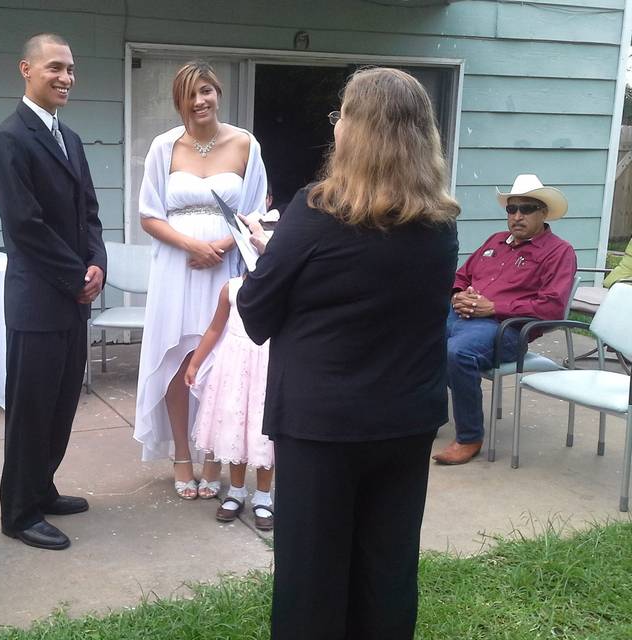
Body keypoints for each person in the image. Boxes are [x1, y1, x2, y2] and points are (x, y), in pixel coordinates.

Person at [238, 68, 460, 638]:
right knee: (387, 572)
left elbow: (257, 314)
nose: (334, 129)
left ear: (357, 132)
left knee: (311, 581)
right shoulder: (440, 223)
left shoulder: (314, 212)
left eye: (340, 119)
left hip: (323, 426)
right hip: (406, 421)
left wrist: (273, 255)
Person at [0, 33, 107, 551]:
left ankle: (43, 487)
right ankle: (19, 511)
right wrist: (75, 276)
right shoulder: (9, 140)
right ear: (26, 70)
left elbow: (89, 214)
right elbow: (25, 226)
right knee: (32, 408)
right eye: (55, 67)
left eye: (71, 69)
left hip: (72, 298)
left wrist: (98, 262)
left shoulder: (71, 139)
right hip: (39, 298)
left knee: (60, 405)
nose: (65, 78)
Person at [134, 60, 267, 500]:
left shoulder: (246, 144)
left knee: (220, 363)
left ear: (218, 93)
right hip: (177, 267)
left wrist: (222, 249)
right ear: (179, 102)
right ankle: (181, 455)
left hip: (225, 269)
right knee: (177, 359)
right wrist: (192, 246)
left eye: (206, 91)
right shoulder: (163, 147)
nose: (199, 101)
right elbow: (149, 215)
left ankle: (213, 457)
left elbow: (255, 216)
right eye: (190, 95)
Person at [434, 174, 577, 465]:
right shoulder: (495, 241)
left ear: (543, 212)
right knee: (417, 335)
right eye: (512, 209)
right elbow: (462, 276)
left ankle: (469, 436)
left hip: (507, 329)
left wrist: (493, 307)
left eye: (527, 209)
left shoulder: (559, 252)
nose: (517, 216)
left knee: (457, 353)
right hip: (466, 315)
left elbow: (551, 307)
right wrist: (458, 295)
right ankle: (428, 413)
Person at [185, 275, 274, 530]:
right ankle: (236, 491)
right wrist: (195, 362)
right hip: (235, 367)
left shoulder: (281, 284)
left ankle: (263, 495)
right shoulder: (231, 288)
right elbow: (215, 328)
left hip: (268, 365)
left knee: (262, 430)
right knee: (235, 424)